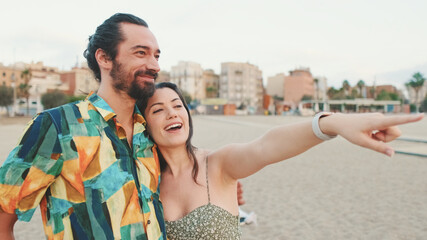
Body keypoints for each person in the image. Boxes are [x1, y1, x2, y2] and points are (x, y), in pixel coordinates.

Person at [138, 82, 423, 240]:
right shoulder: (143, 183)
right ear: (144, 124)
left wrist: (333, 124)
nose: (172, 114)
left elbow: (266, 146)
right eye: (158, 110)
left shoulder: (218, 163)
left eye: (178, 106)